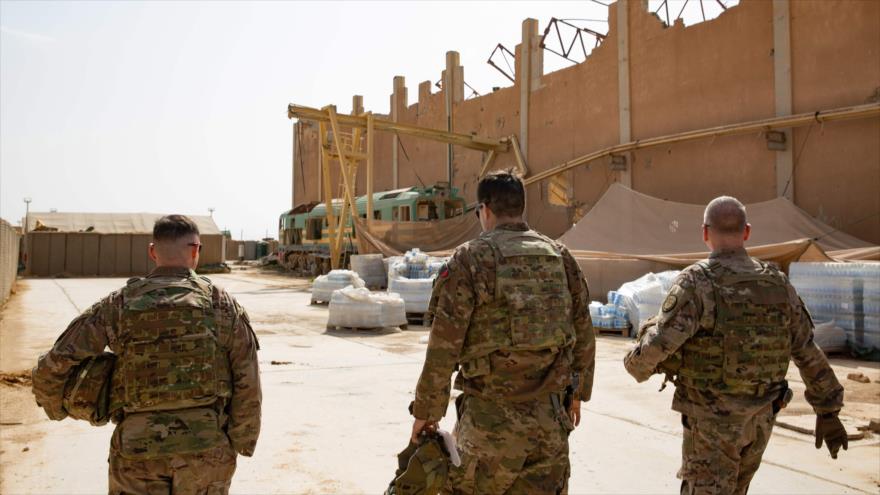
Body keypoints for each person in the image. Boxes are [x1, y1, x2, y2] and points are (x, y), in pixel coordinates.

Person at [624, 196, 847, 495]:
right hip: (760, 421)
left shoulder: (697, 281)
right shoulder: (777, 284)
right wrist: (828, 411)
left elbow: (660, 344)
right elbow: (806, 349)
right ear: (747, 232)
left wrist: (634, 364)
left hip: (712, 423)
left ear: (705, 233)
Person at [32, 214, 262, 494]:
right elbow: (247, 379)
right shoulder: (221, 304)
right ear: (195, 251)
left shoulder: (118, 304)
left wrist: (56, 407)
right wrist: (240, 441)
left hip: (136, 452)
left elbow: (55, 363)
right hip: (206, 452)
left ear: (153, 251)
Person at [410, 170, 596, 494]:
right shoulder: (560, 256)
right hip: (549, 425)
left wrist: (427, 413)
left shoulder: (470, 259)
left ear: (485, 210)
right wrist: (577, 394)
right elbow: (583, 332)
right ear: (520, 207)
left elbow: (444, 347)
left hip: (488, 427)